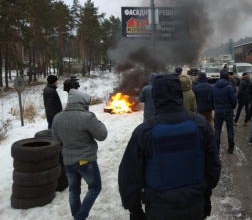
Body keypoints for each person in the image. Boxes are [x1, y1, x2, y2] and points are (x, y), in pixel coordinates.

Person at [118, 74, 221, 220]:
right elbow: (213, 166)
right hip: (194, 205)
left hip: (159, 209)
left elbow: (129, 176)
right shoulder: (200, 125)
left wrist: (134, 209)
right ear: (179, 94)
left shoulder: (144, 132)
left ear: (155, 96)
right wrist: (205, 194)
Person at [52, 89, 108, 220]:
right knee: (95, 187)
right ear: (82, 102)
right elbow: (102, 135)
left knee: (74, 191)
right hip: (86, 160)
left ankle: (76, 216)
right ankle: (80, 217)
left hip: (68, 162)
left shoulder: (57, 117)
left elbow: (56, 139)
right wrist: (98, 122)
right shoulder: (87, 117)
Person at [209, 70, 238, 154]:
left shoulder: (213, 87)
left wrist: (214, 107)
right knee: (230, 129)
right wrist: (232, 107)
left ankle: (216, 148)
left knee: (217, 130)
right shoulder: (229, 87)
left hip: (218, 112)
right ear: (227, 78)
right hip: (228, 111)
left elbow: (209, 99)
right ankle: (231, 148)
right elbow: (234, 100)